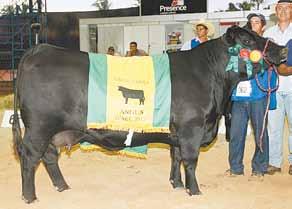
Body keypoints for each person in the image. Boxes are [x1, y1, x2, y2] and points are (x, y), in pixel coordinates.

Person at [226, 13, 277, 180]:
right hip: (239, 96)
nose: (253, 24)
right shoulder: (238, 46)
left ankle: (259, 168)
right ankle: (235, 168)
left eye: (257, 22)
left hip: (258, 94)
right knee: (235, 133)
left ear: (263, 26)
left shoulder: (268, 44)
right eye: (251, 22)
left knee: (260, 133)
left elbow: (274, 64)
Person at [263, 0, 292, 175]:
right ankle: (274, 162)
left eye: (287, 8)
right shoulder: (268, 33)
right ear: (275, 11)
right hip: (273, 87)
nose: (283, 11)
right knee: (273, 127)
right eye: (280, 8)